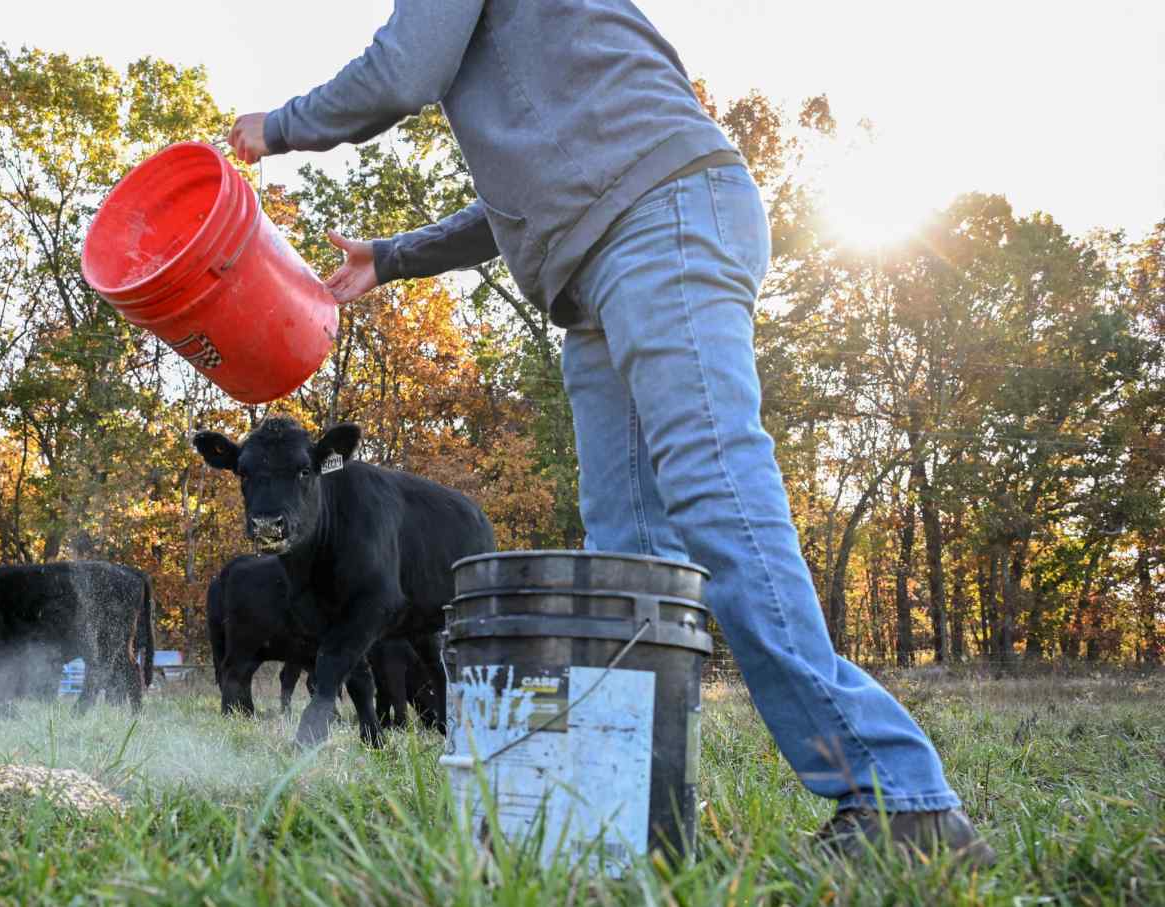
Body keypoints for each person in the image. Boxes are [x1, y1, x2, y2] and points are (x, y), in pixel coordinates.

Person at [227, 1, 993, 867]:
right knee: (628, 560)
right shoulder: (551, 86)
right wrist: (393, 256)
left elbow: (403, 69)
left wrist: (279, 127)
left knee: (717, 497)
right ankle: (626, 811)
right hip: (597, 265)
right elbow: (521, 200)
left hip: (660, 218)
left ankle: (901, 799)